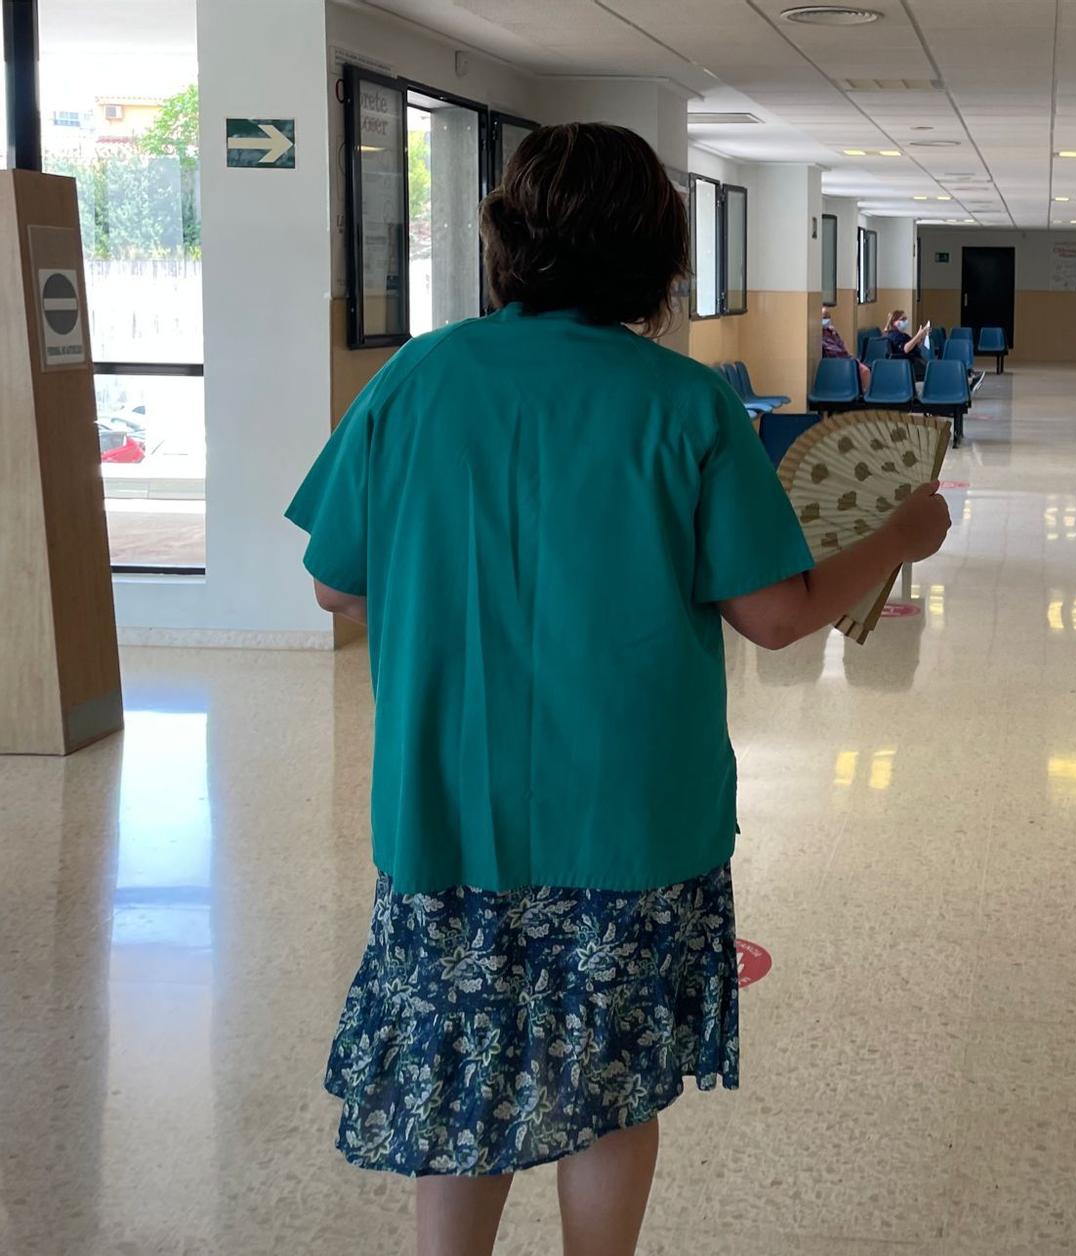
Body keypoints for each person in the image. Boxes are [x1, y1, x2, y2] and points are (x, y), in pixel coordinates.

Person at [287, 122, 950, 1256]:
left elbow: (333, 589)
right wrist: (897, 532)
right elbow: (777, 613)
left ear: (507, 242)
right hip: (634, 823)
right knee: (611, 1087)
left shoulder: (414, 380)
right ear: (656, 255)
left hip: (447, 812)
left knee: (463, 1087)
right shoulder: (683, 405)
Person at [821, 303, 871, 390]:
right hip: (837, 363)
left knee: (865, 371)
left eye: (828, 317)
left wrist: (849, 356)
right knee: (863, 371)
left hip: (846, 358)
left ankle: (864, 395)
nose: (827, 320)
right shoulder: (819, 335)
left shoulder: (832, 332)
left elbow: (841, 345)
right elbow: (833, 352)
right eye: (824, 317)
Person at [880, 308, 932, 381]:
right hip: (907, 364)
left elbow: (914, 344)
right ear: (894, 322)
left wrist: (922, 335)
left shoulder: (902, 335)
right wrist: (918, 335)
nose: (906, 321)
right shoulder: (894, 335)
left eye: (905, 319)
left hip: (911, 362)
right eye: (902, 319)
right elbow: (906, 349)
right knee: (931, 371)